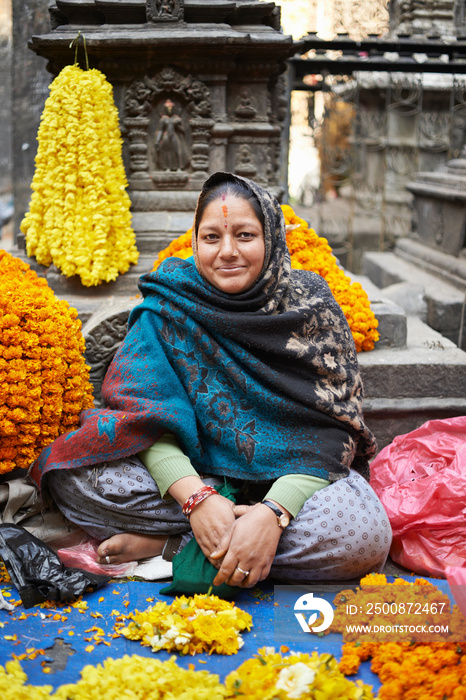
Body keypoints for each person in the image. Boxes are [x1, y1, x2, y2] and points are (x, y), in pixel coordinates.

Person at [30, 172, 391, 588]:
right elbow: (141, 413)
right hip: (199, 475)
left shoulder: (310, 304)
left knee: (363, 536)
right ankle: (220, 535)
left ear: (272, 238)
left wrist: (273, 512)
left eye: (245, 235)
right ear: (196, 241)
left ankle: (167, 546)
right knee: (77, 481)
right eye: (212, 237)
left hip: (294, 481)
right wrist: (196, 500)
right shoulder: (171, 300)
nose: (228, 252)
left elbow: (334, 429)